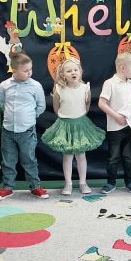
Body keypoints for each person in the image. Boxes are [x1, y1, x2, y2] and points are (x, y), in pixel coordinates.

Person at [41, 57, 105, 196]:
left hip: (81, 125)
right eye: (69, 71)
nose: (73, 73)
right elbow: (56, 108)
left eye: (75, 70)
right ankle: (68, 183)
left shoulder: (85, 88)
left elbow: (86, 106)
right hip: (65, 125)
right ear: (63, 74)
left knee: (81, 155)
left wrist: (78, 118)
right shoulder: (59, 89)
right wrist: (66, 118)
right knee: (68, 156)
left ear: (81, 71)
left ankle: (83, 182)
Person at [0, 53, 47, 200]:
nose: (29, 72)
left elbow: (41, 106)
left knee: (29, 159)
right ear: (14, 70)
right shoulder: (4, 86)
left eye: (30, 69)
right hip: (8, 130)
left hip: (27, 131)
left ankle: (35, 186)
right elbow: (1, 103)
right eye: (25, 70)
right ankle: (7, 187)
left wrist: (29, 117)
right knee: (8, 160)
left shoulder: (35, 86)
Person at [98, 52, 131, 194]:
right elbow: (102, 103)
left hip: (129, 126)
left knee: (128, 157)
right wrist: (116, 116)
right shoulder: (110, 83)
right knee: (113, 157)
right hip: (114, 127)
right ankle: (111, 183)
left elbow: (130, 97)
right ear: (122, 67)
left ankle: (129, 182)